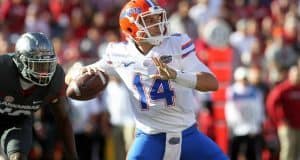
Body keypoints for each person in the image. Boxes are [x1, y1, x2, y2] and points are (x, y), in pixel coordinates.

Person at [66, 0, 227, 159]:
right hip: (150, 136)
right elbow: (76, 74)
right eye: (149, 20)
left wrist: (176, 75)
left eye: (157, 18)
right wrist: (75, 73)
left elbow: (212, 83)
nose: (157, 23)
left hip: (188, 133)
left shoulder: (177, 44)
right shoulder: (119, 53)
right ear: (131, 27)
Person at [0, 32, 78, 160]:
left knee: (18, 157)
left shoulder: (55, 79)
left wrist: (73, 157)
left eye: (47, 65)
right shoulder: (3, 69)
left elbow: (63, 120)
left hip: (18, 121)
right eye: (38, 65)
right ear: (20, 61)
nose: (44, 71)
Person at [266, 64, 300, 160]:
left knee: (297, 151)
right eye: (296, 75)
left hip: (298, 125)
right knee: (288, 149)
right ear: (290, 75)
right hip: (287, 126)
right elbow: (270, 104)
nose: (297, 77)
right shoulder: (283, 89)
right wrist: (279, 120)